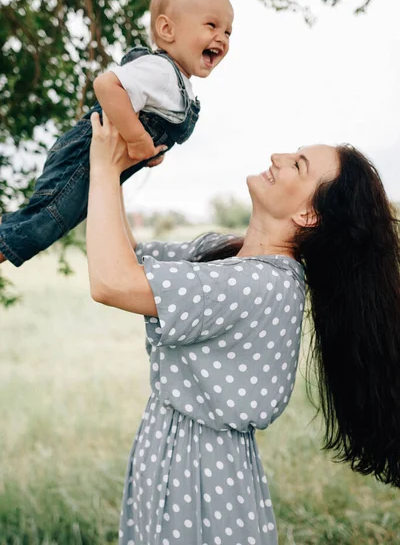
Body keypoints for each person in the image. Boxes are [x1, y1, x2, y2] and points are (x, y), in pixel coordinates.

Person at [86, 112, 400, 545]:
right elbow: (130, 261)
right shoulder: (229, 253)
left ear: (309, 214)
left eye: (298, 165)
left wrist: (102, 167)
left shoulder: (263, 284)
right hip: (171, 454)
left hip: (199, 476)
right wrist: (118, 170)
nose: (278, 157)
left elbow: (111, 282)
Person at [0, 0, 233, 267]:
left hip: (97, 163)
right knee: (41, 226)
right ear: (166, 29)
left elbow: (139, 118)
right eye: (212, 25)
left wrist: (150, 149)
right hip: (81, 158)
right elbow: (106, 85)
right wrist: (137, 139)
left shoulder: (178, 83)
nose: (222, 37)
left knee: (41, 220)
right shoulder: (160, 70)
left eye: (228, 31)